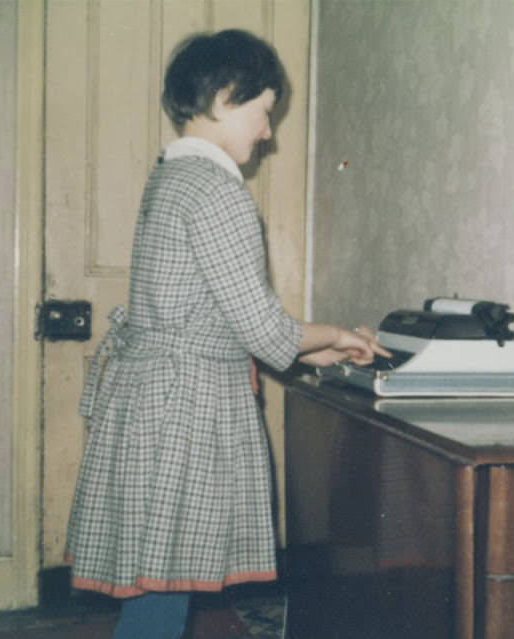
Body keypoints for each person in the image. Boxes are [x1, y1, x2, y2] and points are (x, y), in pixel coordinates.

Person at [65, 29, 388, 639]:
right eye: (265, 111)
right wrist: (339, 332)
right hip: (183, 407)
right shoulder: (218, 192)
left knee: (158, 579)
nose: (268, 132)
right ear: (223, 97)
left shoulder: (171, 176)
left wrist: (329, 343)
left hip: (156, 396)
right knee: (164, 584)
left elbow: (231, 322)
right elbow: (265, 333)